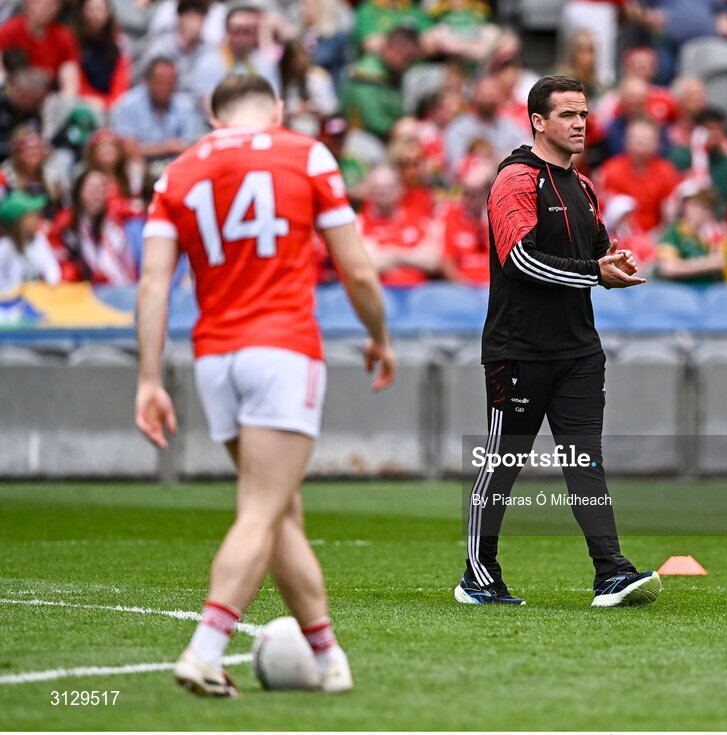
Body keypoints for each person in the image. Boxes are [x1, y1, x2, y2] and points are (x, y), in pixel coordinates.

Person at [135, 74, 395, 697]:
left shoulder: (179, 171)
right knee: (261, 510)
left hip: (214, 358)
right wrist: (380, 336)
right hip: (281, 350)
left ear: (209, 112)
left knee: (280, 512)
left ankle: (329, 659)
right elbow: (356, 269)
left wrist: (148, 377)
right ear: (277, 110)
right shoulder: (305, 153)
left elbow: (152, 285)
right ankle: (203, 650)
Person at [458, 75, 661, 609]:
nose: (579, 124)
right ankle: (478, 575)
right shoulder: (515, 180)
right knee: (503, 461)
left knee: (584, 460)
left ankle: (611, 572)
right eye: (568, 115)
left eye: (585, 114)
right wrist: (597, 272)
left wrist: (613, 263)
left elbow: (596, 253)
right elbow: (520, 261)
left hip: (577, 351)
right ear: (538, 122)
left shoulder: (584, 186)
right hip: (518, 349)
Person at [111, 57, 205, 173]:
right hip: (142, 165)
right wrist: (168, 146)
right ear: (148, 81)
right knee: (133, 163)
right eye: (160, 82)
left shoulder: (185, 105)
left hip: (175, 165)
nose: (165, 87)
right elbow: (128, 150)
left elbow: (190, 147)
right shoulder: (129, 103)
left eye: (170, 83)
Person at [49, 168, 135, 285]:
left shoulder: (113, 222)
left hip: (115, 290)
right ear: (78, 192)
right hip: (78, 290)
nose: (97, 195)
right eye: (91, 190)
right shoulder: (66, 223)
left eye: (101, 189)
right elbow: (60, 264)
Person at [357, 164, 438, 287]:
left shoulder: (419, 221)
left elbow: (432, 261)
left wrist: (392, 255)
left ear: (399, 189)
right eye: (377, 188)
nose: (382, 192)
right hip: (380, 292)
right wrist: (411, 255)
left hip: (417, 294)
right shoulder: (360, 223)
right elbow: (366, 263)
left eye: (388, 187)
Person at [598, 117, 680, 232]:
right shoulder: (610, 170)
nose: (641, 143)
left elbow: (669, 213)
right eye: (636, 138)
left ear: (657, 143)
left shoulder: (666, 171)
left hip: (656, 236)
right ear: (626, 141)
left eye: (647, 139)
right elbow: (605, 213)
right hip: (618, 235)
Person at [342, 25, 421, 140]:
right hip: (362, 137)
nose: (408, 64)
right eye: (406, 58)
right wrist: (395, 128)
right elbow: (372, 120)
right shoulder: (367, 73)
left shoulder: (393, 72)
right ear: (393, 49)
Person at [443, 76, 530, 178]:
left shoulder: (509, 124)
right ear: (475, 95)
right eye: (486, 94)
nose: (489, 98)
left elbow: (527, 146)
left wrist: (497, 161)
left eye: (493, 95)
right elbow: (455, 166)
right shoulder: (459, 127)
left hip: (505, 181)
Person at [191, 4, 280, 100]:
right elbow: (208, 105)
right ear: (227, 31)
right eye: (236, 30)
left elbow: (274, 99)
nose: (241, 37)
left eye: (247, 31)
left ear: (255, 33)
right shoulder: (208, 62)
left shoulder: (264, 62)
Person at [0, 0, 80, 97]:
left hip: (48, 97)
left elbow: (69, 78)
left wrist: (66, 101)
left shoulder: (64, 37)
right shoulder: (9, 30)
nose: (44, 8)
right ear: (29, 3)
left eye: (51, 5)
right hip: (13, 94)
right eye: (40, 3)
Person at [137, 0, 210, 100]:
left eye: (201, 19)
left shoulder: (206, 52)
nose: (196, 24)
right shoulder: (161, 48)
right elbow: (143, 79)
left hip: (194, 107)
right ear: (180, 18)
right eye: (192, 18)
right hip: (162, 103)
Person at [656, 181, 727, 283]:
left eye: (706, 207)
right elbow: (668, 267)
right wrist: (706, 263)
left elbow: (722, 261)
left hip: (709, 291)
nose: (700, 211)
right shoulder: (675, 231)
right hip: (682, 292)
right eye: (696, 205)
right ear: (685, 206)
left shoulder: (715, 234)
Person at [72, 0, 131, 110]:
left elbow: (121, 75)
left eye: (99, 9)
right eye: (91, 10)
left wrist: (111, 102)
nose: (95, 15)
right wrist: (93, 100)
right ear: (83, 11)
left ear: (108, 12)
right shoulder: (74, 40)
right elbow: (77, 77)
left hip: (112, 100)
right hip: (86, 100)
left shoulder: (119, 40)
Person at [439, 163, 491, 285]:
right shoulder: (451, 217)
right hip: (463, 288)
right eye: (466, 193)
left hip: (492, 288)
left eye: (475, 194)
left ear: (486, 194)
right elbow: (447, 263)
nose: (469, 199)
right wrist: (467, 287)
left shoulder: (496, 219)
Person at [0, 189, 60, 293]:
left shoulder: (38, 240)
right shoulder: (5, 246)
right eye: (31, 216)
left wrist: (50, 286)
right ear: (18, 221)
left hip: (38, 297)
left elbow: (51, 268)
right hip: (12, 303)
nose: (36, 218)